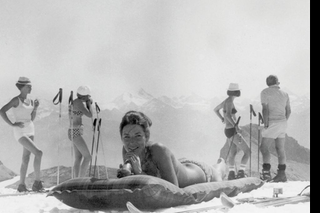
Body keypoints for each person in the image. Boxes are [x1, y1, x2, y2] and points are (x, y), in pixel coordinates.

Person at [117, 111, 228, 188]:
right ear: (121, 137)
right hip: (181, 165)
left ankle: (221, 164)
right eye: (126, 136)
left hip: (201, 173)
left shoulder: (158, 150)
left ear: (146, 137)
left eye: (137, 136)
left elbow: (173, 189)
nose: (131, 142)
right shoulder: (127, 149)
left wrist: (139, 172)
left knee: (218, 172)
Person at [0, 77, 44, 192]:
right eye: (28, 86)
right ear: (22, 87)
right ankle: (37, 184)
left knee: (26, 158)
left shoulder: (30, 101)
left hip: (30, 129)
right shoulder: (16, 100)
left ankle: (21, 185)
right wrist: (12, 124)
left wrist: (35, 108)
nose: (31, 88)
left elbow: (31, 118)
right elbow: (2, 111)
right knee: (38, 153)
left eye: (31, 86)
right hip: (20, 132)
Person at [214, 83, 251, 180]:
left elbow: (216, 110)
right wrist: (236, 125)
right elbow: (228, 116)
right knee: (248, 151)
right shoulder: (230, 102)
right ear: (237, 92)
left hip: (228, 130)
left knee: (233, 153)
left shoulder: (226, 101)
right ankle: (241, 173)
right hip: (232, 130)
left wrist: (222, 119)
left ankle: (231, 174)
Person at [260, 75, 291, 182]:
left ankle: (266, 174)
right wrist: (283, 121)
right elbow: (289, 111)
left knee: (264, 148)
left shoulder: (265, 92)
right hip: (283, 122)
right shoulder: (285, 94)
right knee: (280, 149)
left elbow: (265, 109)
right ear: (277, 82)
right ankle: (282, 174)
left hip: (272, 122)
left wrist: (266, 124)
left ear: (267, 83)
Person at [68, 85, 93, 177]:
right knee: (87, 157)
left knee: (78, 157)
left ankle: (76, 179)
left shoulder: (75, 102)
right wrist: (89, 104)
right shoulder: (79, 103)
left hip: (72, 131)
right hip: (75, 132)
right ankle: (81, 180)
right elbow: (90, 115)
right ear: (85, 96)